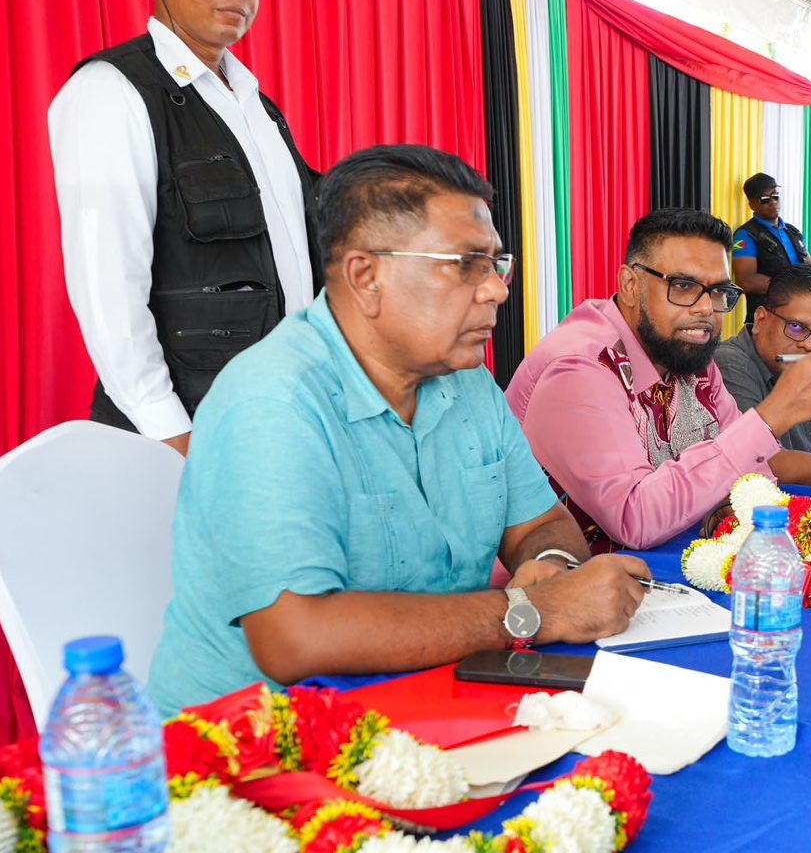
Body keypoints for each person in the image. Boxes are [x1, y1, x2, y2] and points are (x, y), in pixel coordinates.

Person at [148, 145, 648, 714]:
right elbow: (294, 638)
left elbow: (542, 523)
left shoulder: (465, 380)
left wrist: (552, 567)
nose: (496, 289)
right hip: (257, 737)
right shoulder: (273, 402)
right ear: (367, 276)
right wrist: (537, 611)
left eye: (495, 263)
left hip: (431, 703)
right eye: (466, 264)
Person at [49, 0, 320, 454]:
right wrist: (171, 434)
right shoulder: (111, 91)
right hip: (186, 431)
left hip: (279, 415)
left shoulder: (258, 107)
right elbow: (109, 290)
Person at [507, 209, 811, 552]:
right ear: (630, 285)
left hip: (668, 566)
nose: (706, 309)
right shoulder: (581, 368)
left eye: (718, 291)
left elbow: (753, 481)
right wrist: (771, 417)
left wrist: (719, 513)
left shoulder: (688, 352)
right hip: (565, 578)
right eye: (683, 286)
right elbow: (634, 519)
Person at [714, 264, 811, 485]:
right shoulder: (729, 362)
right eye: (796, 327)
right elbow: (765, 463)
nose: (809, 345)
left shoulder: (801, 371)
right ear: (760, 320)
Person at [730, 172, 808, 321]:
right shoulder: (745, 235)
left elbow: (810, 266)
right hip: (766, 319)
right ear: (751, 204)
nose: (772, 202)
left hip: (798, 314)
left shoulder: (793, 232)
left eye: (775, 196)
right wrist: (792, 288)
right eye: (764, 199)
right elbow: (746, 281)